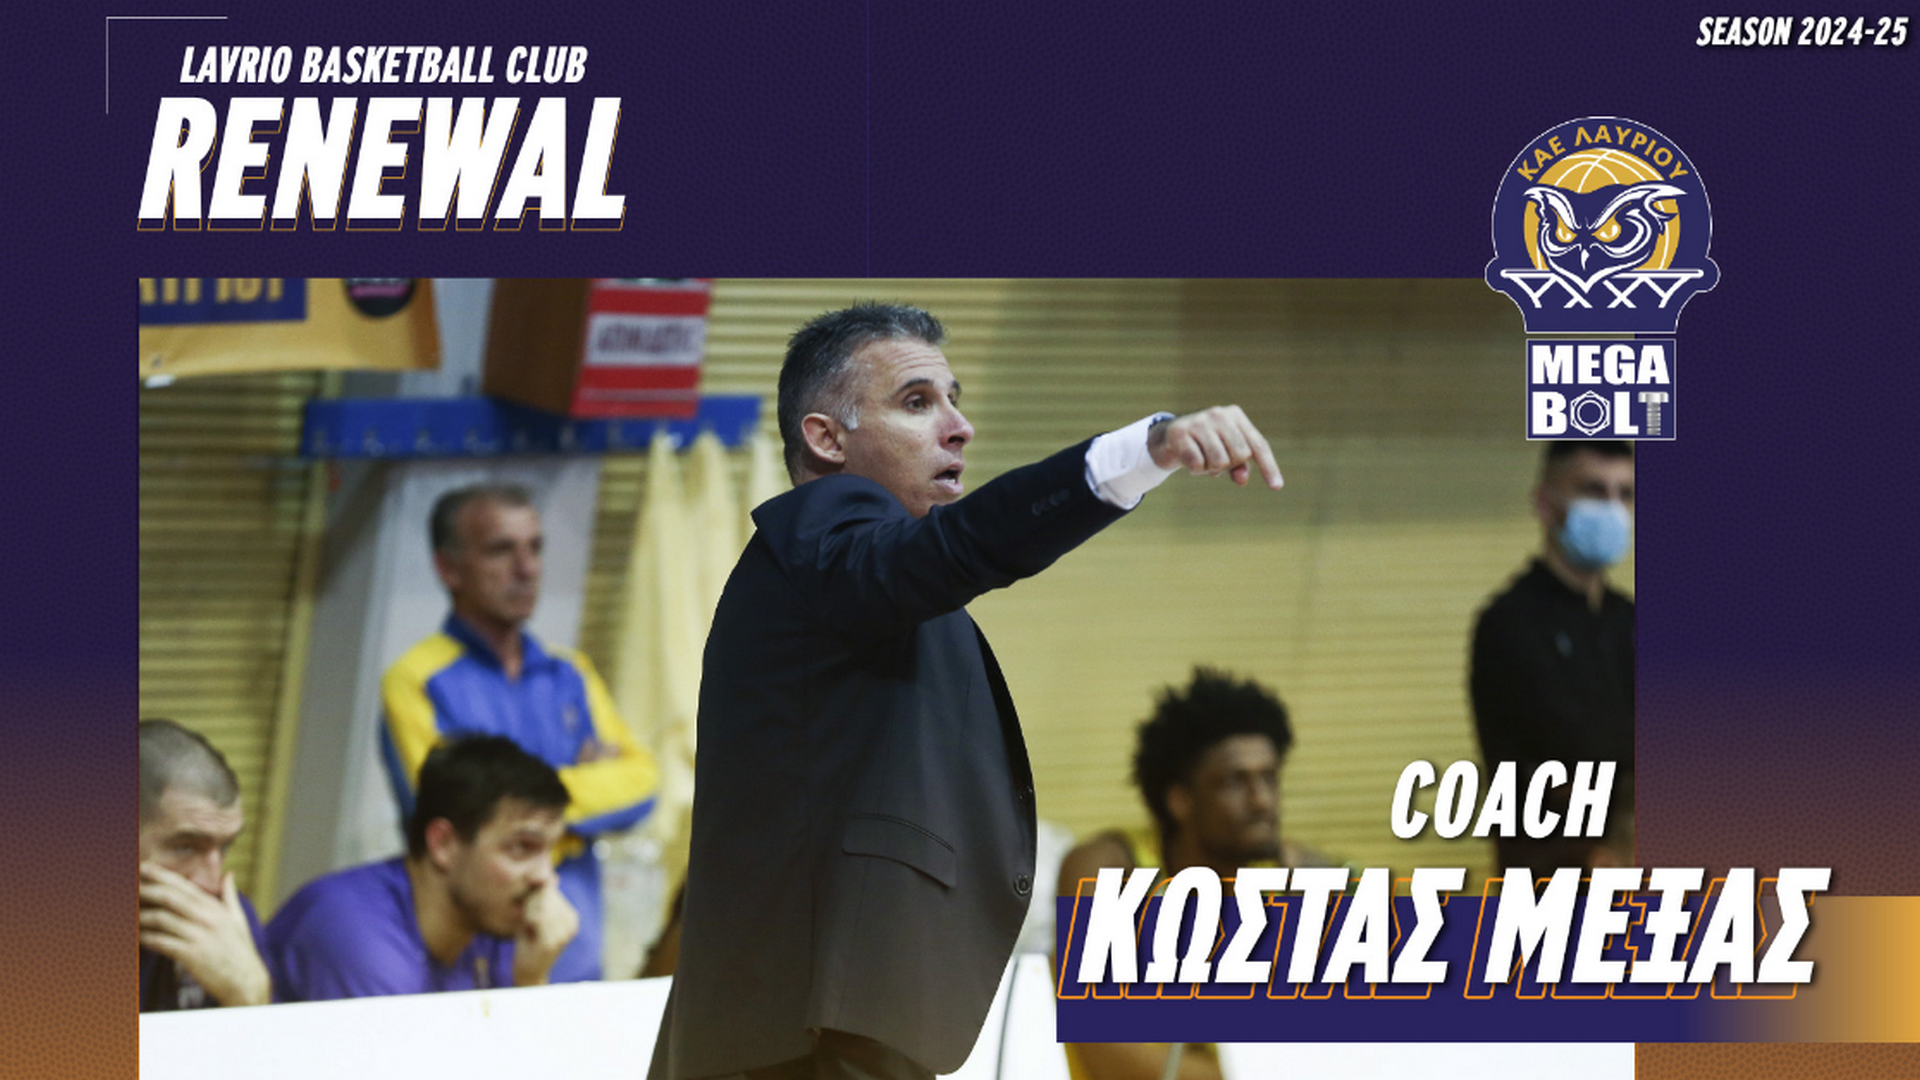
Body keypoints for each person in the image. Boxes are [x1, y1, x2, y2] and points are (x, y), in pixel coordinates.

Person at [650, 304, 1284, 1080]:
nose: (959, 428)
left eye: (955, 399)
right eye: (917, 403)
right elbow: (968, 545)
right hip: (808, 1035)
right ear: (826, 439)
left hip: (826, 1025)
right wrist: (1140, 453)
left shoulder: (860, 585)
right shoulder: (822, 528)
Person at [381, 483, 659, 982]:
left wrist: (510, 806)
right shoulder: (416, 680)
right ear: (448, 568)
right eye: (501, 550)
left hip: (574, 949)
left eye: (535, 547)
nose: (527, 568)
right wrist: (582, 791)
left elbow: (643, 783)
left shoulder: (570, 673)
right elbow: (453, 811)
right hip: (469, 956)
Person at [1055, 668, 1336, 1080]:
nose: (1262, 801)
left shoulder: (1296, 875)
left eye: (1269, 778)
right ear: (1180, 800)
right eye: (1235, 782)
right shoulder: (1109, 868)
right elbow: (1108, 1054)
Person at [267, 735, 579, 1000]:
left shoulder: (493, 924)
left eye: (551, 851)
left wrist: (531, 979)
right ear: (443, 844)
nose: (545, 877)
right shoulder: (357, 937)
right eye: (521, 848)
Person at [1469, 440, 1635, 872]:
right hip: (1553, 883)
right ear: (1546, 504)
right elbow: (1581, 757)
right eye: (1594, 491)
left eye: (1625, 494)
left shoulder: (1629, 620)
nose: (1613, 509)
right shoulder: (1510, 625)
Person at [138, 718, 273, 1011]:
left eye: (225, 847)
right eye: (185, 847)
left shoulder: (223, 921)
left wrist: (249, 993)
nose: (212, 883)